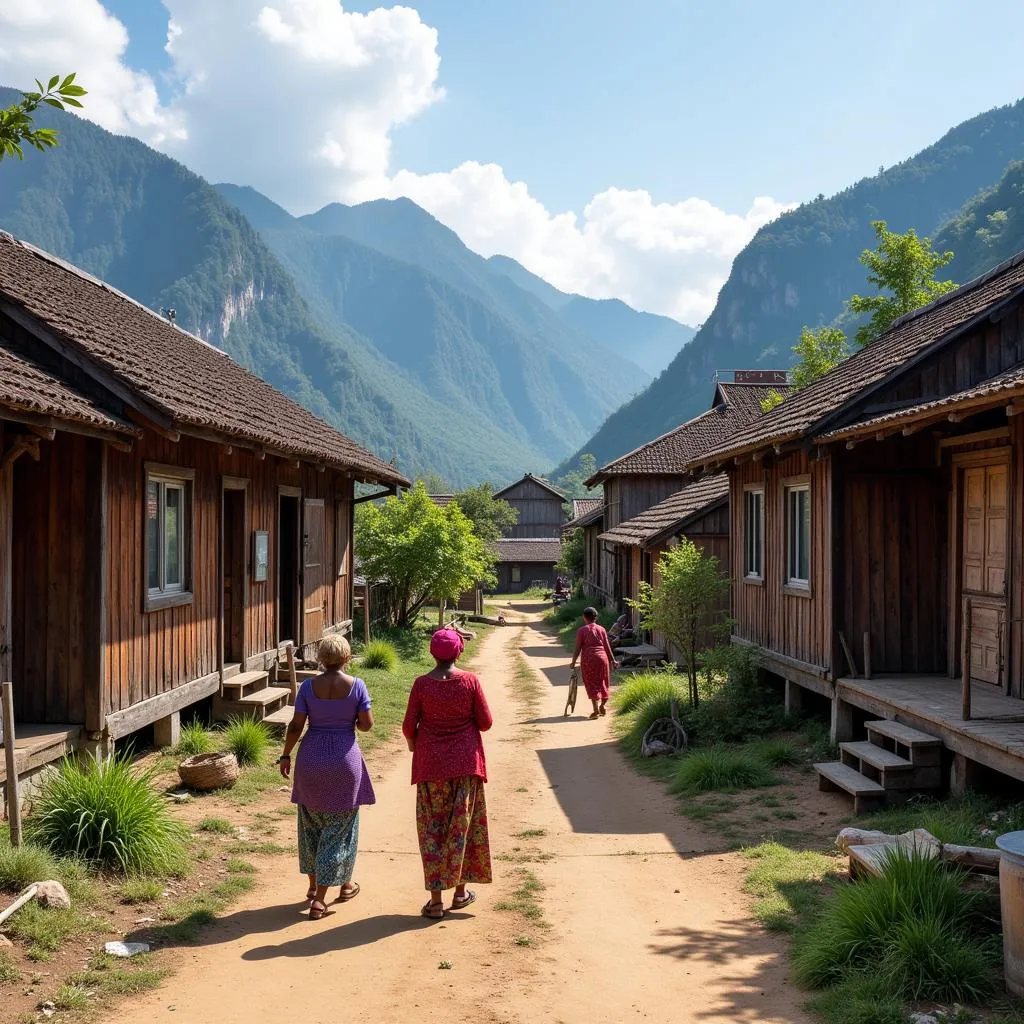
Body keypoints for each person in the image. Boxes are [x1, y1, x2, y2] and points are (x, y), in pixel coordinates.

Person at [278, 634, 375, 921]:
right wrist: (351, 720)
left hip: (311, 758)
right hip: (345, 762)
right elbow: (366, 726)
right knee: (340, 830)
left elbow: (296, 725)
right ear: (347, 658)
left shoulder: (308, 687)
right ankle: (320, 900)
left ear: (321, 659)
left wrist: (285, 755)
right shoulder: (357, 686)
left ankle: (321, 886)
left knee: (311, 825)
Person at [402, 627, 493, 920]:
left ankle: (436, 901)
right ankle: (460, 893)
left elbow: (408, 726)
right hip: (466, 765)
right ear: (459, 651)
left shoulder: (421, 685)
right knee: (462, 828)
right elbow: (485, 722)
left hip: (431, 767)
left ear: (432, 652)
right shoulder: (470, 682)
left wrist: (414, 741)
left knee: (433, 831)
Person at [570, 606, 618, 718]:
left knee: (591, 682)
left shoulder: (582, 630)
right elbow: (607, 646)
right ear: (595, 617)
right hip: (602, 659)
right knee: (603, 681)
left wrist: (573, 662)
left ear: (584, 617)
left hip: (589, 660)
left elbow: (578, 648)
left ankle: (596, 710)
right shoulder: (601, 629)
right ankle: (603, 705)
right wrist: (613, 660)